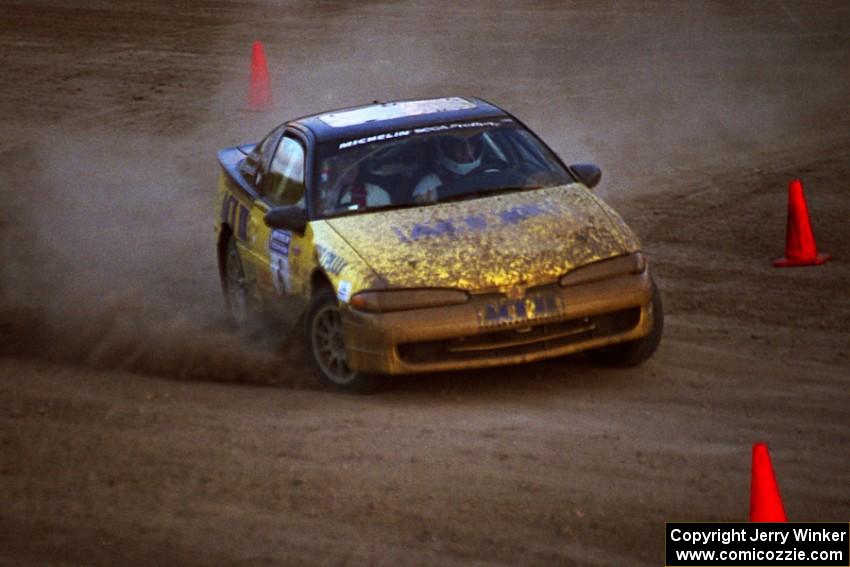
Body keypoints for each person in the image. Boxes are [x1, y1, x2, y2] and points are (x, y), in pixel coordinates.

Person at [412, 133, 485, 203]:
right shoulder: (428, 186)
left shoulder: (489, 174)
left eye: (472, 144)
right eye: (458, 145)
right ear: (446, 148)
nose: (467, 152)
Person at [321, 153, 390, 214]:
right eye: (345, 162)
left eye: (354, 162)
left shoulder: (375, 194)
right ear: (332, 165)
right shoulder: (318, 195)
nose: (352, 167)